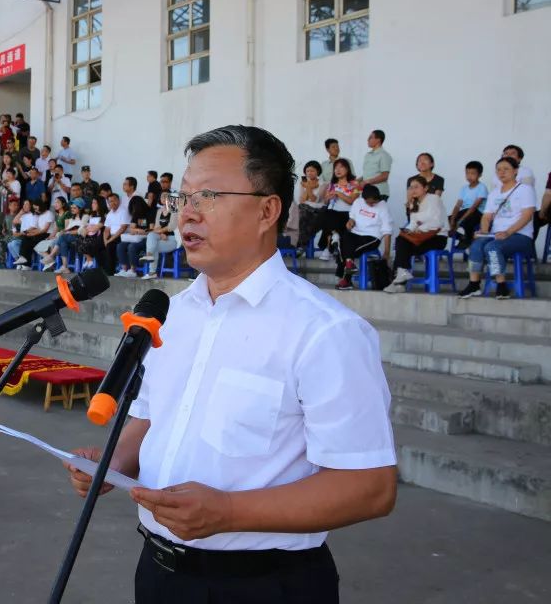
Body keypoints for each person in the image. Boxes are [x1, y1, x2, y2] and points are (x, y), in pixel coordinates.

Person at [64, 125, 396, 604]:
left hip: (263, 585)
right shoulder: (173, 314)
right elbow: (153, 415)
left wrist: (228, 512)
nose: (188, 213)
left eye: (210, 195)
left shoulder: (325, 332)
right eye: (183, 197)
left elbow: (370, 487)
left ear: (267, 210)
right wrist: (115, 462)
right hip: (158, 572)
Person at [459, 156, 537, 300]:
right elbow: (486, 217)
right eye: (499, 170)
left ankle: (501, 286)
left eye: (506, 169)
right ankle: (474, 284)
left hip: (520, 236)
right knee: (476, 246)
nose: (502, 172)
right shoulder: (494, 193)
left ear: (515, 171)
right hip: (497, 235)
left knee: (492, 247)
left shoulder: (524, 190)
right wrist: (483, 231)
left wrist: (508, 232)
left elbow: (527, 216)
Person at [386, 175, 448, 292]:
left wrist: (421, 227)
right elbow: (413, 223)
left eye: (416, 187)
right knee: (401, 239)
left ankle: (399, 281)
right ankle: (400, 277)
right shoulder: (414, 203)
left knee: (402, 246)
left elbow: (437, 222)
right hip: (421, 238)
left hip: (437, 237)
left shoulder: (434, 199)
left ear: (425, 188)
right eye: (411, 187)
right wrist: (408, 230)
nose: (413, 190)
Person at [335, 184, 393, 291]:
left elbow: (387, 230)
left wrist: (387, 251)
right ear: (363, 198)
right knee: (343, 239)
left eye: (373, 202)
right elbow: (352, 217)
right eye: (368, 202)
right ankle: (349, 265)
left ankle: (347, 278)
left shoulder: (382, 206)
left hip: (372, 237)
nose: (371, 204)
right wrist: (350, 221)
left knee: (347, 249)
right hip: (356, 233)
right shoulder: (358, 202)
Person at [315, 158, 360, 260]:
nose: (338, 170)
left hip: (348, 214)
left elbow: (352, 201)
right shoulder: (331, 185)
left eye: (341, 167)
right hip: (332, 213)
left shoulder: (354, 184)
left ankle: (328, 247)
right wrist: (328, 198)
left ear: (347, 169)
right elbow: (326, 202)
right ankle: (334, 239)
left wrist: (339, 193)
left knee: (328, 218)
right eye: (336, 168)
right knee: (327, 214)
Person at [447, 161, 488, 250]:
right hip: (465, 211)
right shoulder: (464, 188)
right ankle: (462, 237)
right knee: (445, 221)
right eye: (467, 173)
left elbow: (474, 207)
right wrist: (453, 220)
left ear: (480, 175)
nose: (469, 176)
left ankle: (468, 239)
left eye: (473, 173)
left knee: (467, 220)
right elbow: (458, 205)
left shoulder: (482, 187)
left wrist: (459, 221)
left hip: (478, 213)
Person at [140, 195, 182, 280]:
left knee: (153, 245)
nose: (165, 198)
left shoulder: (174, 210)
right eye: (163, 196)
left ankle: (152, 272)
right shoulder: (159, 211)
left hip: (173, 239)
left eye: (167, 197)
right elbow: (157, 227)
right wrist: (160, 234)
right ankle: (150, 257)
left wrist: (161, 232)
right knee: (151, 235)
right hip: (161, 238)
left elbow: (171, 227)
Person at [295, 160, 328, 252]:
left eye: (312, 171)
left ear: (318, 172)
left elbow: (315, 199)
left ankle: (300, 246)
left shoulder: (323, 184)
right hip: (304, 208)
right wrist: (308, 186)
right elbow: (301, 200)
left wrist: (308, 187)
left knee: (302, 216)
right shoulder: (303, 183)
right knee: (300, 214)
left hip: (318, 210)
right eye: (307, 171)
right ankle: (299, 245)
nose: (309, 173)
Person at [115, 196, 150, 278]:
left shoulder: (150, 213)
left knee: (132, 247)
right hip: (136, 238)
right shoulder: (135, 215)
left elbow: (150, 230)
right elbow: (131, 229)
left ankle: (133, 270)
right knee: (120, 245)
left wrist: (137, 230)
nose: (134, 210)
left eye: (135, 207)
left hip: (146, 239)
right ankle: (124, 269)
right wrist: (139, 230)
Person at [359, 129, 392, 201]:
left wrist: (366, 182)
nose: (368, 139)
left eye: (370, 137)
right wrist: (358, 180)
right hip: (367, 191)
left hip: (379, 192)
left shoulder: (384, 155)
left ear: (378, 140)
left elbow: (384, 176)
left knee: (376, 212)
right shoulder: (368, 155)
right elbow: (369, 174)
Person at [102, 193, 130, 275]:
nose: (112, 203)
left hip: (121, 235)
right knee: (99, 245)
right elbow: (106, 229)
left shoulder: (124, 211)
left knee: (110, 245)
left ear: (118, 201)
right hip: (112, 236)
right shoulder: (110, 213)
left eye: (114, 200)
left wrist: (109, 240)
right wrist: (105, 240)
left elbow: (123, 228)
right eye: (110, 201)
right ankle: (102, 268)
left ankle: (109, 271)